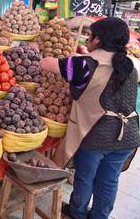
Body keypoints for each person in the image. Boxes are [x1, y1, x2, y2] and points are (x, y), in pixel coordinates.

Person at [39, 17, 140, 219]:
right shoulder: (130, 64)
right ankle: (99, 216)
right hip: (127, 136)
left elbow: (44, 63)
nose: (87, 40)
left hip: (96, 134)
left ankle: (77, 213)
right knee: (109, 181)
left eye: (90, 35)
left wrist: (71, 59)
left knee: (85, 178)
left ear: (98, 39)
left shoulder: (85, 64)